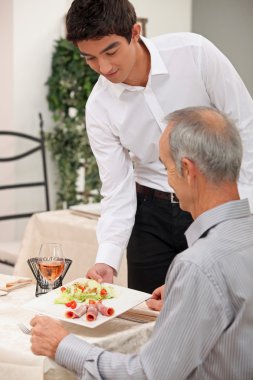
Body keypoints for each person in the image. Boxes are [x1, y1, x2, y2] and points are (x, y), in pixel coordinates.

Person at [30, 107, 253, 379]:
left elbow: (147, 375)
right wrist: (187, 295)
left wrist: (63, 345)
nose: (167, 179)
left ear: (187, 169)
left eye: (166, 167)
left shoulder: (199, 265)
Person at [66, 0, 253, 293]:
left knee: (218, 308)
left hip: (213, 204)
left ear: (135, 32)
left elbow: (246, 126)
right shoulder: (99, 107)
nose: (104, 67)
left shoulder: (195, 53)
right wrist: (108, 258)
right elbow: (116, 187)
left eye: (111, 51)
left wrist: (242, 206)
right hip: (150, 216)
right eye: (90, 58)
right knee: (147, 316)